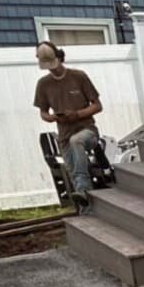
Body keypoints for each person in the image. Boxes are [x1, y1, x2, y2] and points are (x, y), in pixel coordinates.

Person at [33, 40, 103, 210]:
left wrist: (77, 114)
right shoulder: (43, 84)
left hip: (87, 131)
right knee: (74, 175)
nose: (52, 68)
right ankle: (87, 213)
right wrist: (53, 118)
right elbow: (43, 112)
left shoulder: (79, 77)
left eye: (53, 64)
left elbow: (97, 105)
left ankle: (83, 189)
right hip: (64, 134)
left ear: (59, 57)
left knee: (77, 141)